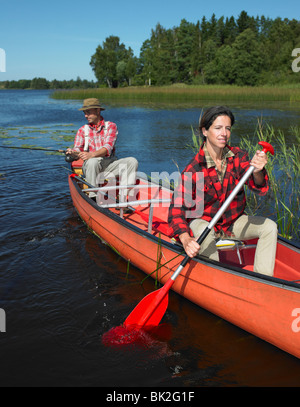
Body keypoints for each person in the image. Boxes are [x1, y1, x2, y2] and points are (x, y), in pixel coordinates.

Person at [168, 106, 278, 276]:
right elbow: (176, 210)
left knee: (269, 227)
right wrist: (185, 239)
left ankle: (263, 280)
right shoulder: (193, 169)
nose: (224, 133)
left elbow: (259, 188)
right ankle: (216, 279)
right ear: (205, 131)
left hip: (231, 223)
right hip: (202, 222)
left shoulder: (239, 156)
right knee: (204, 230)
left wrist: (257, 171)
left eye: (227, 128)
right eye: (218, 128)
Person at [66, 98, 138, 200]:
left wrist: (91, 154)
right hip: (91, 167)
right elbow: (77, 149)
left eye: (88, 112)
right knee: (92, 162)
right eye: (84, 113)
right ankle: (93, 197)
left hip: (109, 164)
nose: (86, 115)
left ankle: (124, 198)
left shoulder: (111, 126)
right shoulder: (82, 130)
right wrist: (73, 153)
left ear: (98, 111)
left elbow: (108, 147)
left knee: (132, 161)